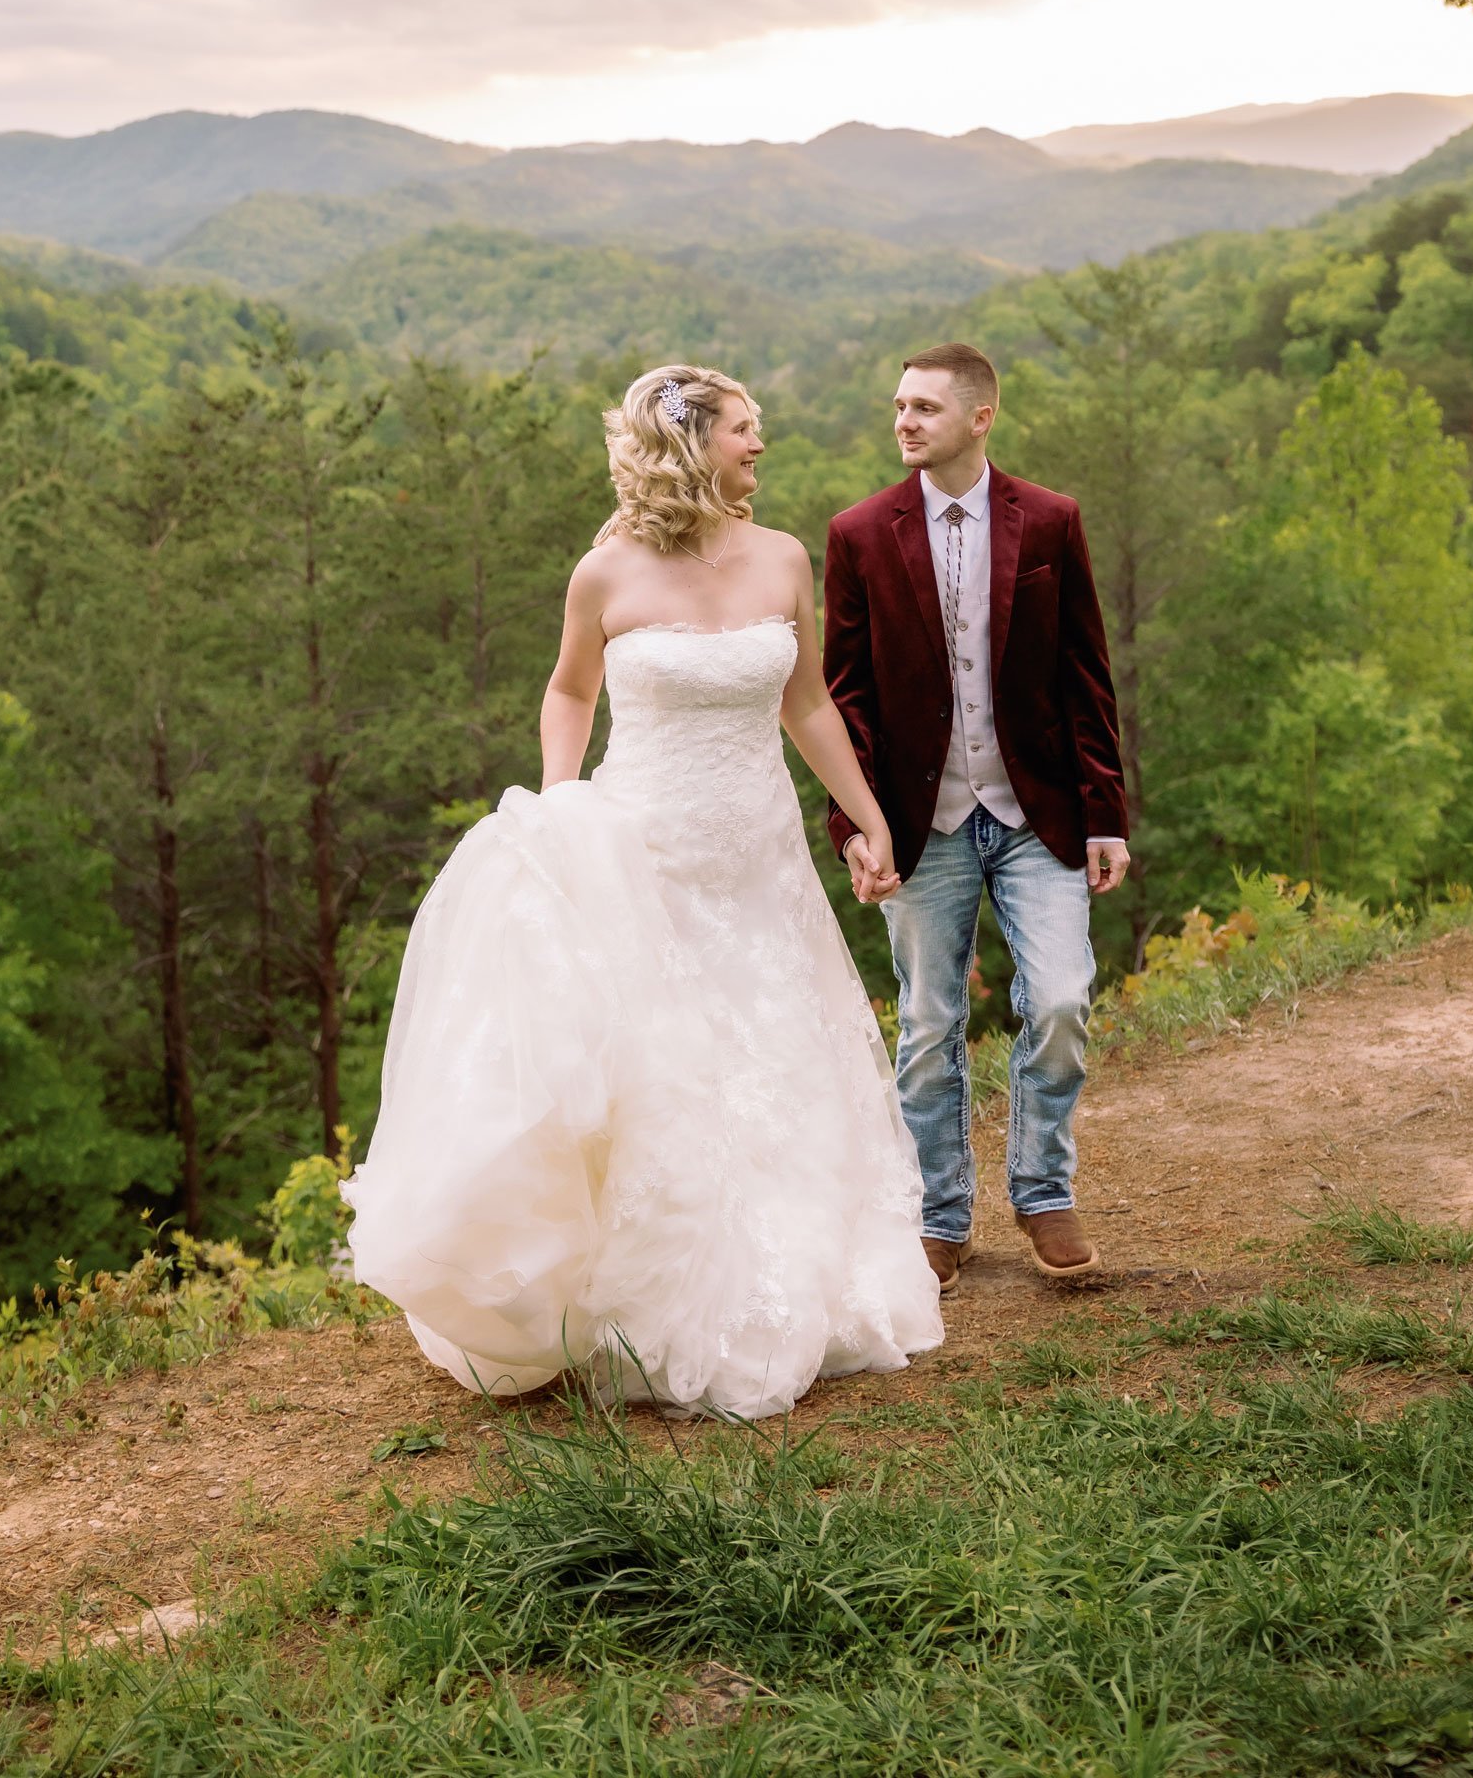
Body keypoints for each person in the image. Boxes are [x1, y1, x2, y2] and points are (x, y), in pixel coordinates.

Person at [346, 363, 943, 1419]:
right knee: (664, 1073)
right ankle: (643, 1292)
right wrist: (559, 813)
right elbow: (571, 688)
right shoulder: (606, 572)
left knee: (773, 1055)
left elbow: (806, 705)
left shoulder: (783, 559)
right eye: (747, 430)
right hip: (644, 855)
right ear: (692, 441)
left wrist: (866, 815)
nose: (762, 446)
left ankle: (790, 1274)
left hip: (759, 862)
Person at [823, 343, 1129, 1291]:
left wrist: (1102, 813)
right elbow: (845, 695)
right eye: (898, 406)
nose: (904, 421)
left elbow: (1085, 673)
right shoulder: (860, 533)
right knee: (926, 1025)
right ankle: (939, 1216)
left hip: (1037, 813)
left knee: (1065, 1000)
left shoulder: (1049, 521)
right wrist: (856, 827)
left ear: (979, 417)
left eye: (923, 407)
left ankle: (1043, 1194)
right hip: (923, 824)